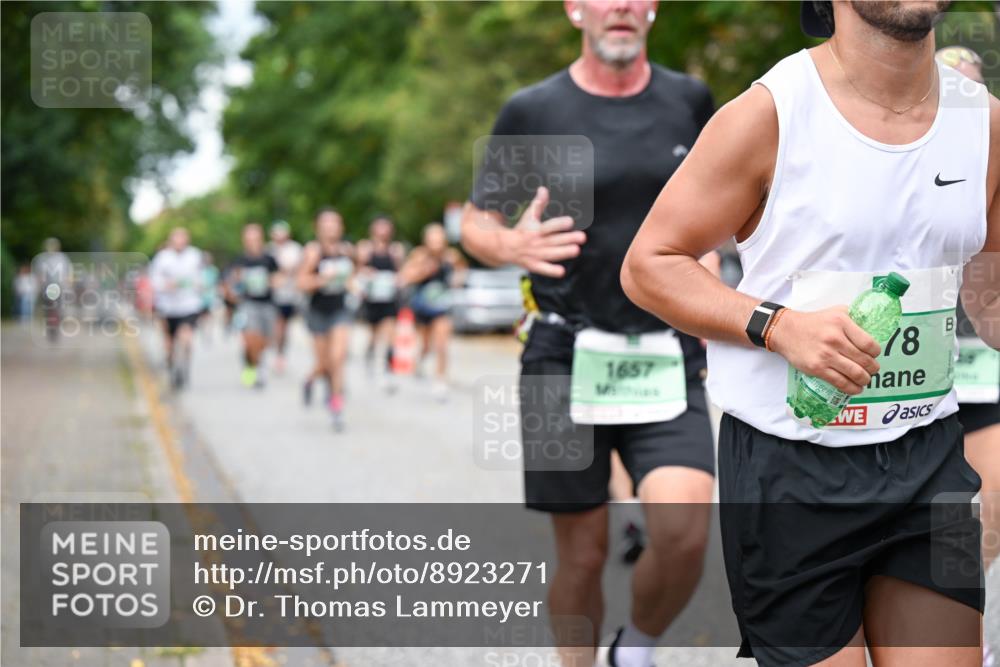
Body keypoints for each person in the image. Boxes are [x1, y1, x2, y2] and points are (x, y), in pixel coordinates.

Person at [622, 1, 996, 665]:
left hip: (929, 456)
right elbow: (650, 265)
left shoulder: (984, 122)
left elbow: (989, 290)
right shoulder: (770, 113)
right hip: (789, 468)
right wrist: (778, 326)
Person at [459, 2, 717, 665]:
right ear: (577, 9)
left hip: (666, 351)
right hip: (560, 354)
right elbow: (474, 223)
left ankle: (634, 648)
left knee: (685, 530)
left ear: (653, 9)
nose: (622, 6)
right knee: (583, 553)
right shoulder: (533, 111)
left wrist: (714, 293)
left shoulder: (690, 101)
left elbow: (717, 213)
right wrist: (509, 243)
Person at [937, 44, 1000, 667]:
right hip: (898, 381)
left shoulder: (996, 158)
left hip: (982, 373)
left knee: (992, 502)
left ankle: (965, 618)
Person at [297, 208, 355, 430]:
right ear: (318, 228)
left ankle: (336, 406)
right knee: (324, 364)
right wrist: (322, 279)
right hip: (318, 311)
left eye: (335, 223)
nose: (331, 227)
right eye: (326, 223)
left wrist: (355, 283)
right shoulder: (313, 251)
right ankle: (310, 380)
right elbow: (301, 283)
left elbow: (352, 277)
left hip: (340, 310)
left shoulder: (347, 251)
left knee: (338, 358)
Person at [400, 223, 465, 402]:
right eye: (432, 238)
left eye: (439, 238)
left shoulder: (451, 256)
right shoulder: (419, 255)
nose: (436, 242)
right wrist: (423, 271)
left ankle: (440, 380)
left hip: (442, 306)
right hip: (422, 307)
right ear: (426, 240)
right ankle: (420, 361)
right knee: (427, 345)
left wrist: (457, 280)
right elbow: (405, 277)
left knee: (442, 344)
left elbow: (462, 271)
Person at [226, 223, 279, 389]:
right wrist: (233, 291)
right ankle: (253, 368)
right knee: (250, 339)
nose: (252, 242)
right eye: (249, 238)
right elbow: (230, 282)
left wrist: (273, 282)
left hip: (267, 304)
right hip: (247, 304)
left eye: (255, 238)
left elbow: (279, 277)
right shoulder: (239, 260)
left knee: (265, 341)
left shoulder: (269, 259)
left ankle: (253, 361)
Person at [149, 228, 203, 389]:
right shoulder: (162, 258)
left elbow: (201, 278)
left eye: (182, 239)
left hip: (189, 305)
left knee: (186, 337)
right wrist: (166, 285)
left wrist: (195, 285)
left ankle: (184, 364)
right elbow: (154, 280)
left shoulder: (195, 256)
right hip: (168, 307)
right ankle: (173, 365)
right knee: (170, 342)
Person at [356, 216, 405, 390]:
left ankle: (387, 370)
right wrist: (366, 273)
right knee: (374, 336)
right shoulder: (365, 248)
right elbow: (358, 269)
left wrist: (399, 279)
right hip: (372, 298)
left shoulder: (395, 250)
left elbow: (401, 271)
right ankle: (369, 361)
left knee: (390, 336)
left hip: (389, 298)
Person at [267, 220, 303, 375]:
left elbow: (298, 269)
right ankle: (277, 353)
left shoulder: (295, 249)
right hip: (272, 296)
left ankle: (280, 353)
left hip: (290, 295)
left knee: (284, 327)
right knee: (277, 325)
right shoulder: (268, 250)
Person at [198, 251, 220, 340]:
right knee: (202, 316)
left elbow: (216, 283)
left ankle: (208, 331)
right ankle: (204, 330)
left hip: (210, 297)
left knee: (210, 315)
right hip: (201, 298)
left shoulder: (214, 270)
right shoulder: (199, 270)